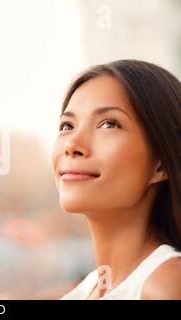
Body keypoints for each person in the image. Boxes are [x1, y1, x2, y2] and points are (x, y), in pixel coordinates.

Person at [51, 60, 181, 299]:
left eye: (108, 124)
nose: (72, 145)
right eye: (67, 125)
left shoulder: (167, 285)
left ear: (160, 164)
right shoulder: (86, 291)